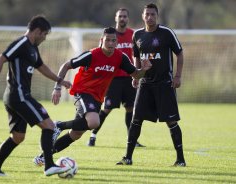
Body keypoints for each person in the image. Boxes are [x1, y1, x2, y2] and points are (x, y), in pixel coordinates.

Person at [32, 27, 152, 166]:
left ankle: (43, 157)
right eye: (108, 40)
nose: (111, 43)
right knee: (94, 122)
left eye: (114, 41)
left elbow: (136, 75)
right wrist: (57, 87)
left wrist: (144, 69)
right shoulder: (91, 55)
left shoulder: (120, 58)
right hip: (83, 92)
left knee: (76, 134)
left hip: (97, 98)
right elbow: (66, 65)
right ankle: (59, 125)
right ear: (102, 40)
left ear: (117, 42)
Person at [0, 15, 72, 176]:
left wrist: (60, 80)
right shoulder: (21, 43)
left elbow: (42, 67)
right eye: (44, 34)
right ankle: (49, 165)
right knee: (50, 126)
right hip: (19, 95)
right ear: (37, 31)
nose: (45, 38)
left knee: (17, 137)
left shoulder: (33, 47)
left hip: (17, 96)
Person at [116, 3, 186, 167]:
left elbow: (180, 54)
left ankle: (180, 160)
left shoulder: (167, 33)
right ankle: (128, 157)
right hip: (145, 84)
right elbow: (136, 56)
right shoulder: (137, 35)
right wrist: (136, 74)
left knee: (171, 122)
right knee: (136, 119)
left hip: (165, 84)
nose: (150, 17)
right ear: (142, 16)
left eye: (153, 14)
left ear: (157, 16)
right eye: (147, 14)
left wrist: (177, 76)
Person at [87, 8, 144, 147]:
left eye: (125, 16)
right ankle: (93, 136)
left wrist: (136, 73)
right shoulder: (109, 35)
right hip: (113, 78)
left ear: (128, 19)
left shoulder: (133, 34)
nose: (122, 19)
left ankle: (132, 139)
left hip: (129, 78)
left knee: (130, 108)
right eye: (120, 16)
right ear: (116, 18)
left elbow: (136, 55)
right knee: (107, 108)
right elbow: (100, 53)